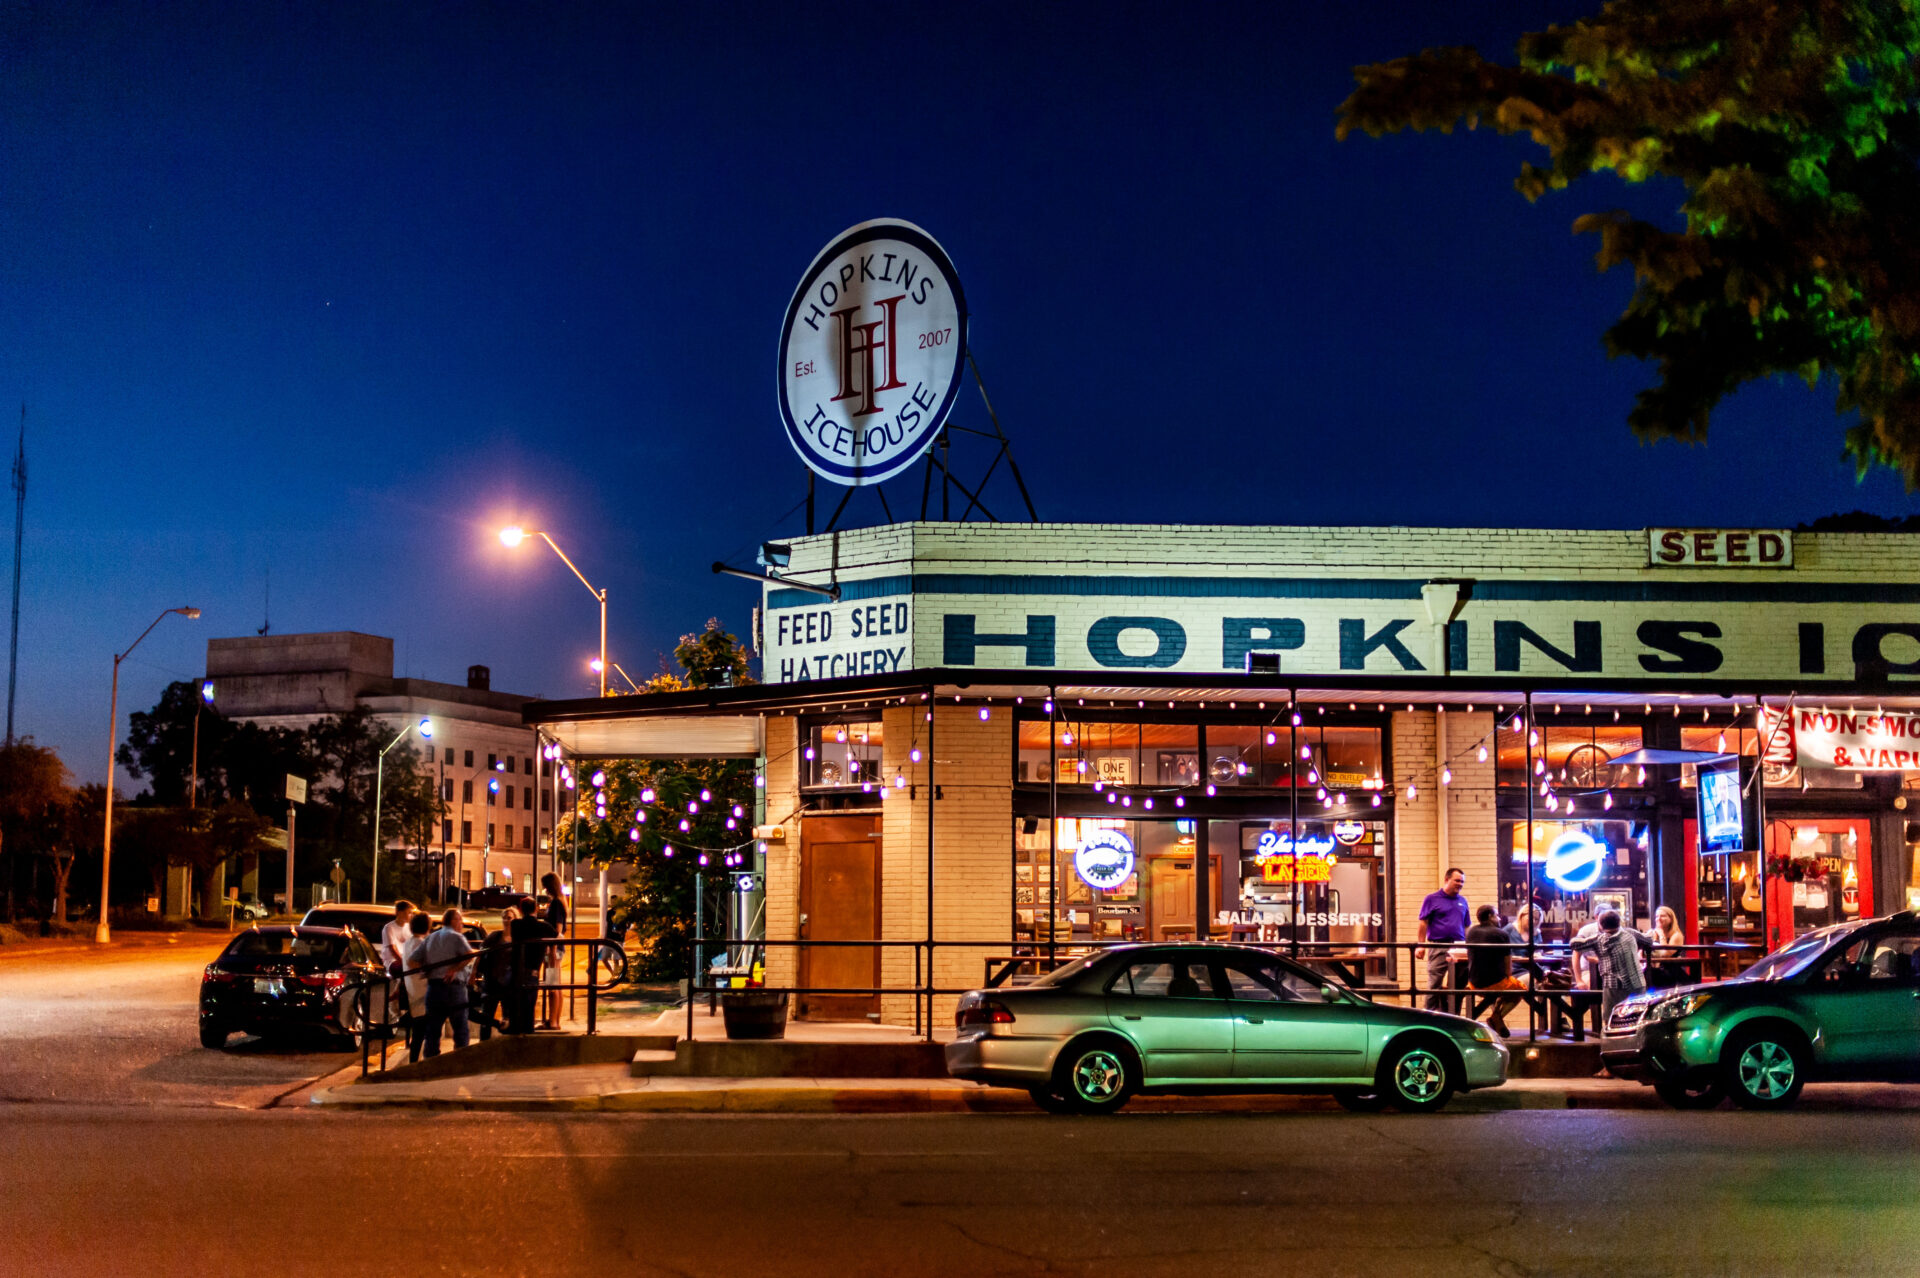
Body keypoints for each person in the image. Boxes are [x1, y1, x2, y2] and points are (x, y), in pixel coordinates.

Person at [415, 908, 478, 1056]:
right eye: (459, 920)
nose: (461, 923)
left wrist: (425, 970)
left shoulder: (431, 937)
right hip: (454, 987)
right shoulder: (457, 937)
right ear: (453, 920)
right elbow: (469, 955)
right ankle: (460, 1058)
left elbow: (413, 960)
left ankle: (431, 1060)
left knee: (433, 1029)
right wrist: (454, 969)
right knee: (460, 1027)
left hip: (434, 987)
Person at [1572, 910, 1654, 1021]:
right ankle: (1634, 1037)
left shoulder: (1597, 940)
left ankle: (1612, 1036)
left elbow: (1574, 944)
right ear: (1619, 922)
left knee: (1611, 1018)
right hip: (1637, 982)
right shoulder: (1631, 933)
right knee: (1637, 1016)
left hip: (1612, 984)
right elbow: (1649, 940)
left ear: (1600, 925)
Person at [1465, 904, 1528, 1036]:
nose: (1499, 919)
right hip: (1494, 984)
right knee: (1521, 989)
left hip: (1473, 983)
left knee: (1505, 989)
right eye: (1496, 915)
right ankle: (1496, 1017)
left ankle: (1496, 1017)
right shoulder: (1502, 934)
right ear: (1490, 916)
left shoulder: (1470, 932)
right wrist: (1508, 977)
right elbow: (1507, 963)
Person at [1414, 868, 1470, 1012]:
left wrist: (1469, 946)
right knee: (1434, 984)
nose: (1460, 884)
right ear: (1446, 880)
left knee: (1458, 986)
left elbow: (1467, 926)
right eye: (1457, 880)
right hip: (1438, 945)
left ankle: (1454, 1016)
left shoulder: (1463, 901)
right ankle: (1428, 1016)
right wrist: (1420, 945)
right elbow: (1423, 922)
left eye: (1462, 881)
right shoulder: (1432, 899)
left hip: (1459, 947)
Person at [508, 895, 557, 1034]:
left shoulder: (515, 924)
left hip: (517, 970)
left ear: (520, 909)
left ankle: (516, 1033)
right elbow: (555, 935)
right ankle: (528, 1034)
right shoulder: (543, 926)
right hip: (532, 972)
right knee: (529, 1006)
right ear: (535, 909)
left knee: (516, 1005)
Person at [475, 906, 517, 1041]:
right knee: (487, 1015)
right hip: (492, 982)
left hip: (509, 984)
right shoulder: (495, 936)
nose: (506, 920)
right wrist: (473, 973)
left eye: (509, 918)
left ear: (515, 919)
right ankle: (484, 1042)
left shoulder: (517, 938)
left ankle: (506, 1043)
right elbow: (480, 953)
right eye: (504, 918)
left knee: (508, 1016)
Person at [399, 911, 433, 1062]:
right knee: (423, 1031)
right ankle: (421, 1061)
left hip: (412, 988)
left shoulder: (408, 943)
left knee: (418, 1031)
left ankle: (414, 1060)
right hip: (423, 989)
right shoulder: (422, 943)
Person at [539, 873, 569, 1029]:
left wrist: (552, 950)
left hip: (554, 948)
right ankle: (555, 1020)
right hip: (556, 947)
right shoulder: (561, 902)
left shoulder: (556, 903)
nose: (544, 889)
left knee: (552, 984)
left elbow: (557, 928)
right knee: (556, 984)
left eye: (545, 886)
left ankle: (553, 1021)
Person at [1647, 905, 1687, 987]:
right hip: (1655, 971)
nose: (1659, 919)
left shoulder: (1676, 935)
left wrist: (1661, 935)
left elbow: (1665, 954)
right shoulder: (1653, 933)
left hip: (1671, 973)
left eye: (1663, 916)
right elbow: (1641, 951)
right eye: (1657, 916)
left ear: (1671, 919)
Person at [378, 900, 416, 973]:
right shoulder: (389, 927)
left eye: (412, 913)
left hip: (406, 960)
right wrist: (404, 962)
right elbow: (392, 948)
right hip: (392, 962)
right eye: (409, 913)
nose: (411, 915)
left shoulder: (409, 927)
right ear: (400, 913)